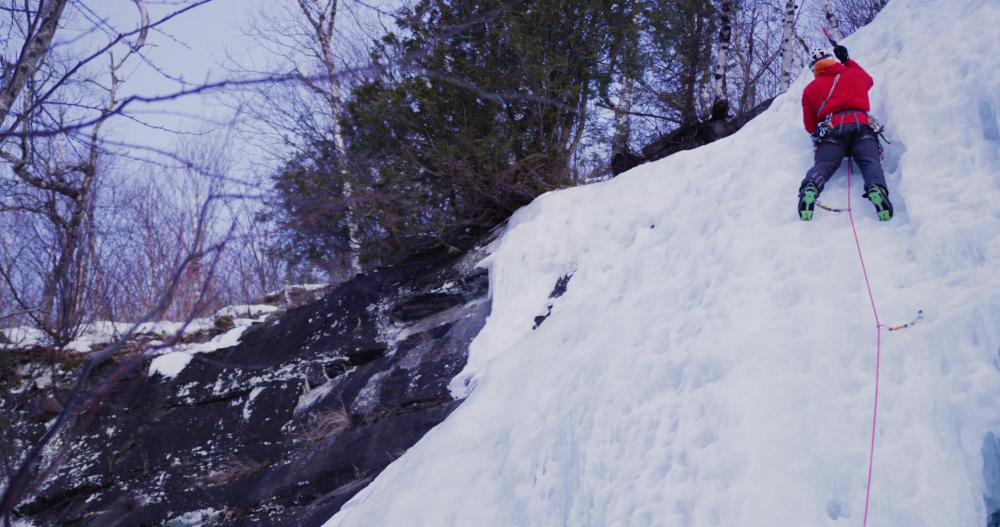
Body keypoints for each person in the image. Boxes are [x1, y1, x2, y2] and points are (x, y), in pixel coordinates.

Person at [797, 44, 893, 221]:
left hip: (832, 131)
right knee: (870, 161)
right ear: (832, 59)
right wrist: (847, 61)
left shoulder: (810, 89)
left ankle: (811, 186)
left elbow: (810, 126)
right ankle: (876, 188)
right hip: (862, 126)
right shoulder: (854, 74)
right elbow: (869, 81)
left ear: (813, 68)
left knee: (824, 164)